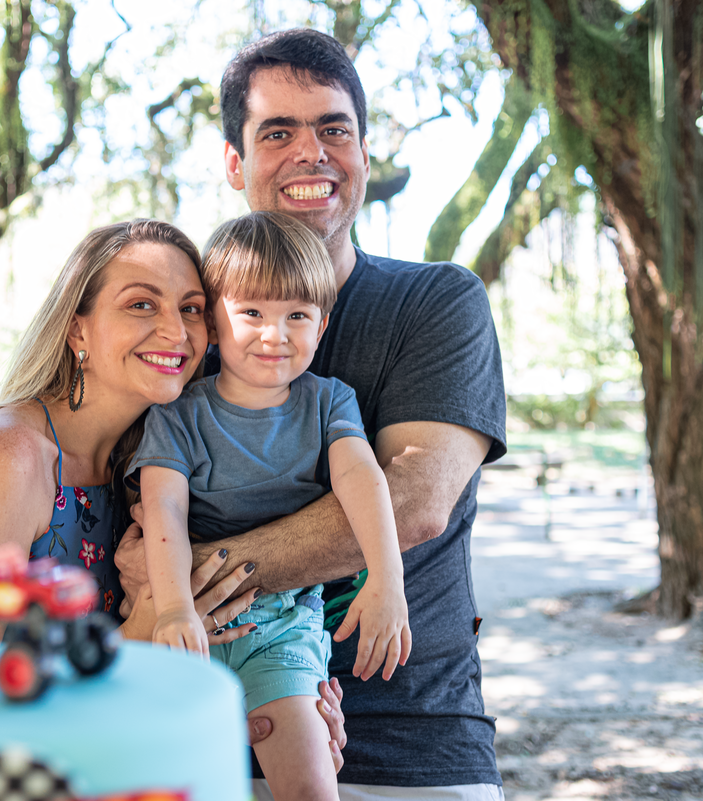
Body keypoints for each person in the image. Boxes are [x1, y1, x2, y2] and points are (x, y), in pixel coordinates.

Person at [115, 29, 508, 800]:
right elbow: (126, 503)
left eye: (335, 128)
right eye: (278, 132)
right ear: (235, 162)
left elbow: (415, 500)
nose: (312, 152)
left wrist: (189, 580)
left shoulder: (435, 302)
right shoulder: (187, 324)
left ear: (364, 151)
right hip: (204, 733)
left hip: (410, 740)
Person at [0, 218, 348, 769]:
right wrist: (137, 636)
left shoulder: (150, 465)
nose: (176, 332)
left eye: (191, 308)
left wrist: (294, 697)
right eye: (141, 305)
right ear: (77, 329)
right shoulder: (5, 458)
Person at [132, 212, 412, 801]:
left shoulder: (329, 401)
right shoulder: (179, 415)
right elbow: (163, 514)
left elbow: (362, 477)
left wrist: (388, 578)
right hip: (188, 628)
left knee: (310, 784)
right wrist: (175, 610)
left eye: (297, 316)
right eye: (252, 312)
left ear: (322, 324)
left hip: (283, 628)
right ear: (213, 319)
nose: (274, 333)